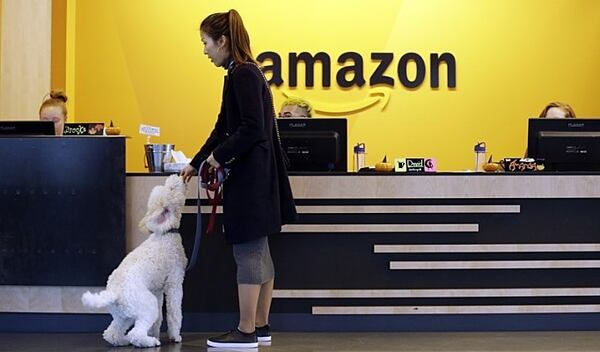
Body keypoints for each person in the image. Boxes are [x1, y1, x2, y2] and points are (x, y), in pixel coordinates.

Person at [180, 9, 297, 349]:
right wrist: (197, 161)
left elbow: (250, 129)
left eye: (206, 43)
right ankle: (260, 326)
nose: (204, 50)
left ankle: (245, 331)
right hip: (258, 179)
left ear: (223, 41)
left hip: (250, 181)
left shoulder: (242, 75)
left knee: (247, 253)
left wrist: (217, 157)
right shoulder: (241, 73)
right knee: (259, 252)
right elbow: (223, 127)